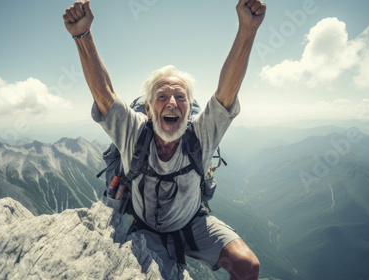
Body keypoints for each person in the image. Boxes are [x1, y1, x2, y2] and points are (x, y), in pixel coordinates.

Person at [63, 1, 266, 279]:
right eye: (161, 96)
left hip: (194, 224)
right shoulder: (134, 134)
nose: (172, 103)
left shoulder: (200, 136)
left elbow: (226, 91)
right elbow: (105, 94)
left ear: (189, 107)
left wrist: (247, 29)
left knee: (247, 267)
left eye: (180, 97)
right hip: (147, 230)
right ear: (147, 109)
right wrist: (82, 36)